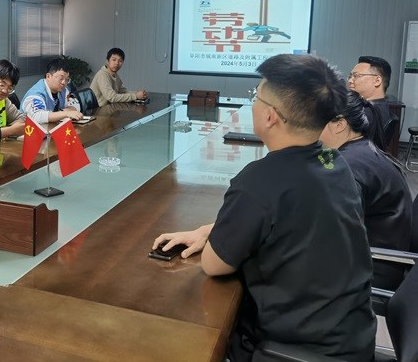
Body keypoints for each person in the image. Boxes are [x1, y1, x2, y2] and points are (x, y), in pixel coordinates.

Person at [153, 54, 375, 361]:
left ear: (271, 116)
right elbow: (294, 214)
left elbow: (215, 265)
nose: (253, 104)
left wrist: (218, 238)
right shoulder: (332, 161)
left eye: (256, 97)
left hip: (297, 350)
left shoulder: (258, 181)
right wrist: (210, 230)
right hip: (353, 338)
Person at [320, 90, 412, 291]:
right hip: (382, 262)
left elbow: (333, 236)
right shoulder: (363, 150)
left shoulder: (348, 167)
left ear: (339, 124)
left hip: (369, 273)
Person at [21, 58, 83, 124]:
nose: (64, 83)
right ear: (48, 76)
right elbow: (37, 116)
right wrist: (66, 113)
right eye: (61, 78)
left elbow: (76, 105)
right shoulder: (36, 94)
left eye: (67, 79)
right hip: (31, 129)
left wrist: (63, 113)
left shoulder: (64, 90)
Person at [348, 55, 392, 130]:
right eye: (350, 76)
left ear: (377, 81)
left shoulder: (367, 115)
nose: (350, 80)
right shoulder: (380, 107)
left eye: (356, 76)